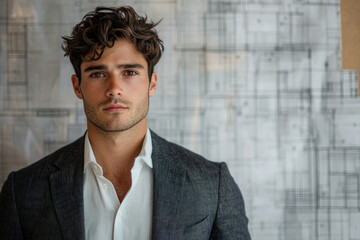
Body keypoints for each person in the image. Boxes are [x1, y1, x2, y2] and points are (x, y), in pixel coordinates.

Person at [0, 6, 251, 240]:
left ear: (152, 84)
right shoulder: (22, 192)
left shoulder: (212, 184)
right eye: (98, 74)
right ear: (78, 86)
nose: (114, 89)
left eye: (129, 72)